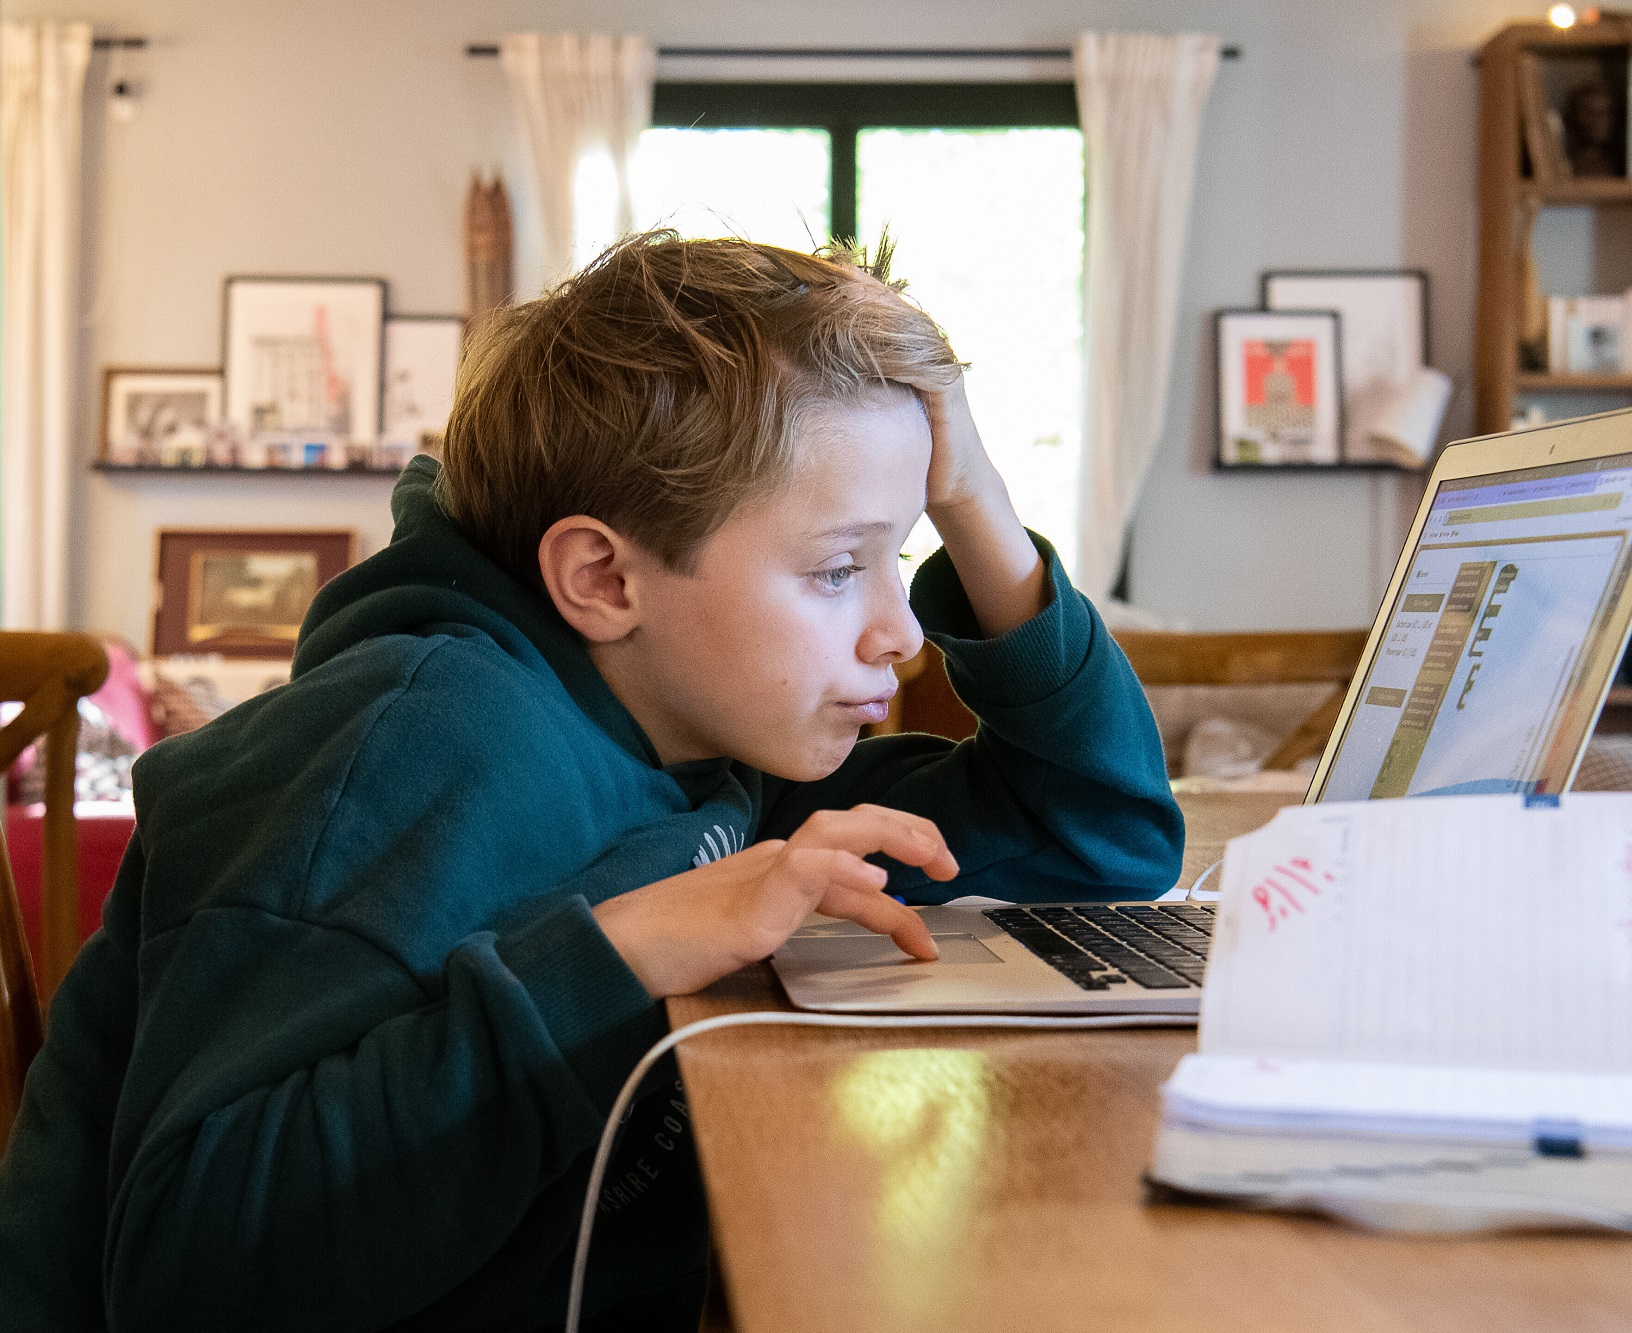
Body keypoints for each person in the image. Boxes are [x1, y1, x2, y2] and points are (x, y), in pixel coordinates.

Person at [0, 234, 1183, 1331]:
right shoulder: (411, 749)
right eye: (836, 569)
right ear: (603, 580)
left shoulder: (700, 743)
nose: (900, 636)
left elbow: (1099, 835)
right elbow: (183, 1270)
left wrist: (976, 497)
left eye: (903, 557)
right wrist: (622, 951)